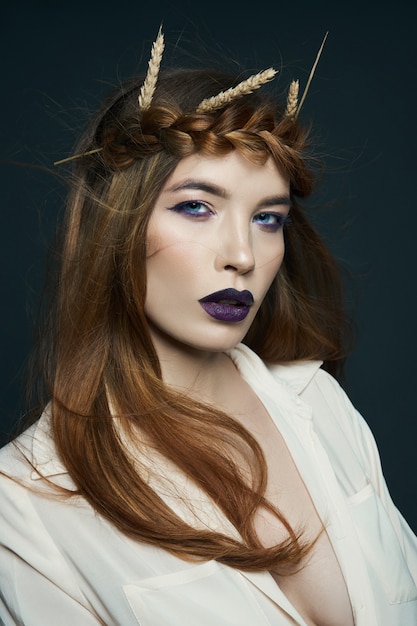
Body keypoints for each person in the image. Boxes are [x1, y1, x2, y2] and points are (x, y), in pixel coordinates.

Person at [0, 29, 416, 626]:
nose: (242, 255)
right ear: (117, 224)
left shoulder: (320, 403)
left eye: (268, 218)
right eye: (196, 206)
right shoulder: (26, 505)